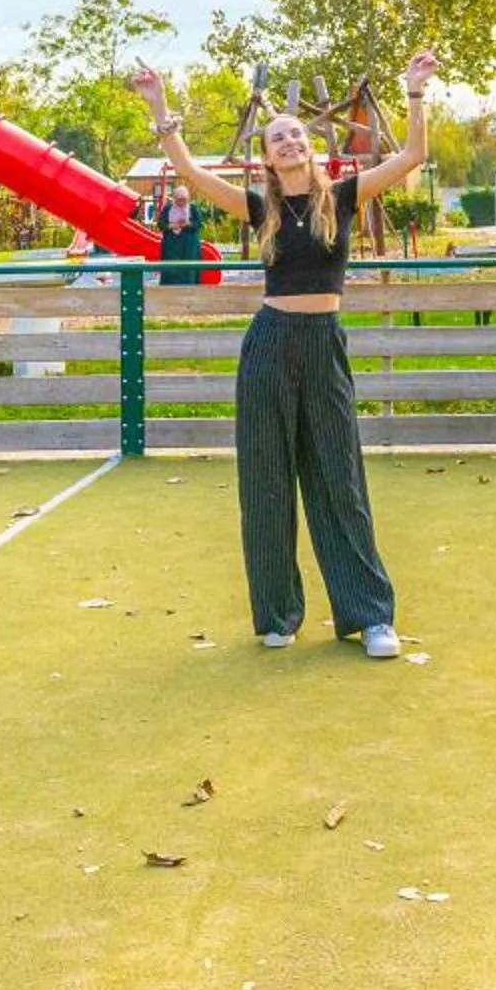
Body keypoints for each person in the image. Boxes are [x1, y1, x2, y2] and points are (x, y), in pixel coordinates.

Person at [131, 59, 435, 658]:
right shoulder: (258, 207)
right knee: (267, 480)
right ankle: (277, 614)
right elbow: (190, 172)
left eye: (297, 133)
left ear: (310, 147)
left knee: (340, 480)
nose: (290, 141)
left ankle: (370, 615)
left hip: (323, 344)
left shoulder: (343, 196)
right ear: (267, 158)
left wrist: (415, 92)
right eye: (278, 138)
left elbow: (412, 157)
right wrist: (159, 104)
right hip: (269, 345)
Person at [154, 183, 210, 288]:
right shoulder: (168, 208)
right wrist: (171, 226)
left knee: (189, 270)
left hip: (189, 246)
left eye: (184, 199)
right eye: (179, 200)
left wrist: (188, 224)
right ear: (174, 198)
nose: (182, 202)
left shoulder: (192, 208)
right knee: (171, 270)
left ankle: (190, 290)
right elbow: (161, 224)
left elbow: (199, 224)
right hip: (171, 245)